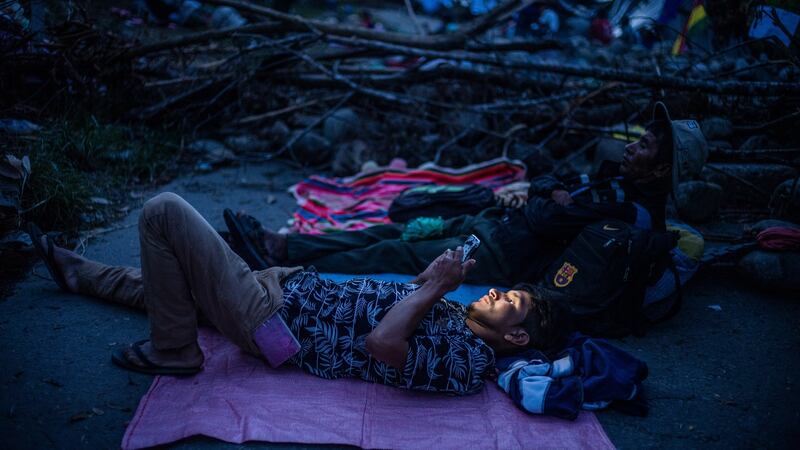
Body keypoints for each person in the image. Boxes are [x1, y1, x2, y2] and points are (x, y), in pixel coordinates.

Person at [28, 192, 571, 396]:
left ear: (517, 335)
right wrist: (427, 283)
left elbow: (383, 344)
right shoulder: (454, 310)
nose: (496, 291)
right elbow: (401, 306)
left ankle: (175, 351)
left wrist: (429, 288)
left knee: (163, 211)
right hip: (288, 289)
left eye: (509, 302)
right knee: (172, 286)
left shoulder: (469, 363)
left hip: (275, 322)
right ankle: (82, 275)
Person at [227, 103, 708, 287]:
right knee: (392, 227)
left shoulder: (632, 211)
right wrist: (554, 193)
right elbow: (547, 181)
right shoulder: (615, 182)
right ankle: (283, 244)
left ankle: (280, 268)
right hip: (495, 227)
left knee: (392, 252)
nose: (631, 147)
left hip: (501, 253)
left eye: (643, 145)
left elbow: (544, 220)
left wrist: (551, 198)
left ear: (663, 167)